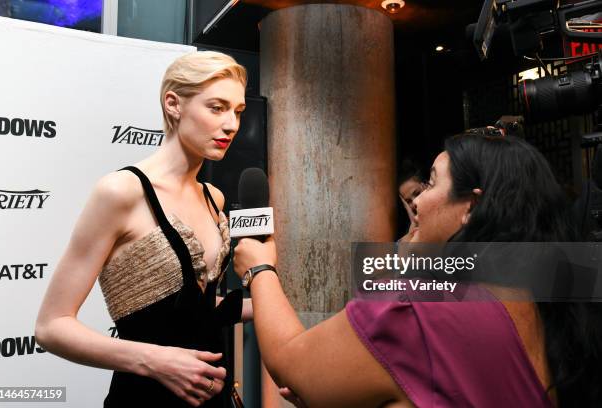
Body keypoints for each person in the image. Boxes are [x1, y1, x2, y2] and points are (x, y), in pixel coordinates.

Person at [233, 130, 602, 407]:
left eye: (431, 182)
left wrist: (260, 268)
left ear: (471, 207)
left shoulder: (418, 310)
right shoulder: (538, 304)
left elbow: (289, 361)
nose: (418, 201)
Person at [35, 51, 252, 407]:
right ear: (173, 104)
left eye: (238, 111)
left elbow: (188, 308)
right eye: (217, 107)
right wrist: (155, 361)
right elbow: (51, 326)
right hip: (143, 400)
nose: (232, 125)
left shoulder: (214, 198)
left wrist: (273, 299)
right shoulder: (122, 192)